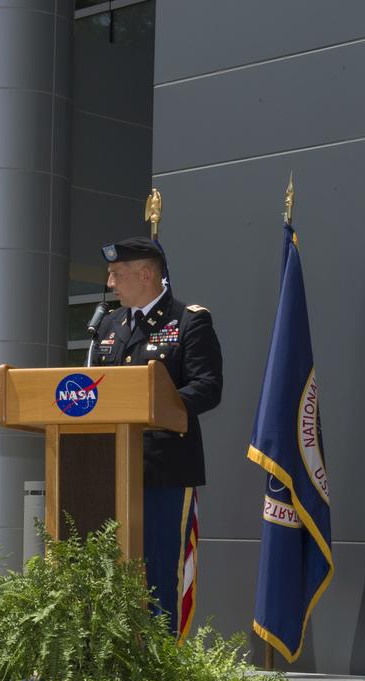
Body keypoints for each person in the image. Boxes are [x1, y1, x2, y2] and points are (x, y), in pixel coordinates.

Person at [89, 237, 223, 637]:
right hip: (112, 470)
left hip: (164, 471)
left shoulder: (188, 321)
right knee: (112, 567)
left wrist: (150, 407)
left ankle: (164, 665)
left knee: (161, 566)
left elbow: (208, 388)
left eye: (116, 275)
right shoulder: (108, 326)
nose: (111, 284)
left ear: (146, 274)